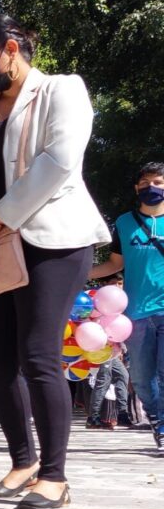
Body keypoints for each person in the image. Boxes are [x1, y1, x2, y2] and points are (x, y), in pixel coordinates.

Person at [0, 14, 110, 509]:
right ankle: (22, 463)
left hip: (51, 241)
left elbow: (58, 163)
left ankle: (54, 476)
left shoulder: (62, 90)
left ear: (11, 47)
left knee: (37, 355)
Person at [89, 162, 164, 451]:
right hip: (136, 314)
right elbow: (114, 265)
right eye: (145, 183)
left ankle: (162, 428)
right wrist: (78, 272)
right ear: (137, 188)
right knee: (143, 378)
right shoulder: (124, 222)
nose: (152, 188)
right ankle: (157, 420)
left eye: (158, 181)